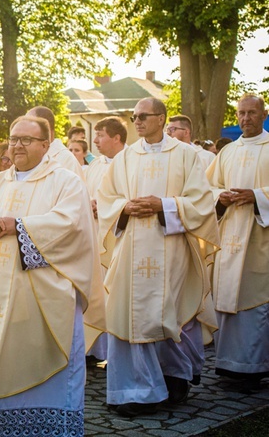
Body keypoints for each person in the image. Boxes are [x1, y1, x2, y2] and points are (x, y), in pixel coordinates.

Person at [0, 116, 99, 436]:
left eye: (27, 140)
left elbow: (71, 226)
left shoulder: (65, 182)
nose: (17, 145)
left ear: (46, 145)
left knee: (36, 364)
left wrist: (17, 226)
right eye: (14, 138)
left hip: (42, 295)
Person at [97, 97, 219, 417]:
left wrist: (163, 206)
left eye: (143, 116)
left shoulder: (185, 155)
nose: (136, 121)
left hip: (170, 247)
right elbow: (107, 197)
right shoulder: (125, 157)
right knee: (128, 314)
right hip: (131, 247)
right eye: (134, 116)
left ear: (161, 118)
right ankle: (135, 389)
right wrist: (125, 207)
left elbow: (201, 201)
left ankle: (174, 376)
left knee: (165, 315)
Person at [207, 94, 269, 391]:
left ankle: (253, 368)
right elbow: (206, 187)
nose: (246, 118)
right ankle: (227, 365)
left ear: (263, 114)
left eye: (252, 113)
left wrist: (256, 196)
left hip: (260, 238)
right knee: (225, 298)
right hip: (228, 233)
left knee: (254, 303)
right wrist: (219, 197)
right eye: (241, 113)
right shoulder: (227, 152)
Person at [84, 117, 128, 361]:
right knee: (94, 291)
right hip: (93, 233)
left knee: (114, 292)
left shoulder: (130, 162)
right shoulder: (95, 165)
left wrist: (107, 207)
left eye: (100, 135)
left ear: (116, 138)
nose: (96, 140)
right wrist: (87, 203)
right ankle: (95, 348)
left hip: (117, 235)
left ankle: (115, 349)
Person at [27, 107, 84, 180]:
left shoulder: (66, 160)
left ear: (46, 127)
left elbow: (76, 189)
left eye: (29, 124)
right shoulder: (31, 155)